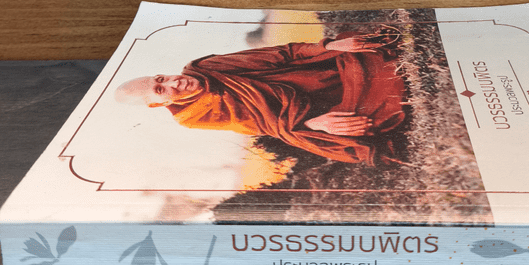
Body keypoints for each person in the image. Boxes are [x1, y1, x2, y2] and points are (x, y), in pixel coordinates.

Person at [115, 33, 407, 165]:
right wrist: (314, 123)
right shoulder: (190, 117)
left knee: (363, 52)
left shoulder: (205, 67)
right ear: (159, 104)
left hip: (325, 76)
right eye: (161, 89)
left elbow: (282, 54)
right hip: (309, 113)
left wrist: (330, 45)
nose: (173, 82)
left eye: (161, 78)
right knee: (351, 131)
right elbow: (265, 124)